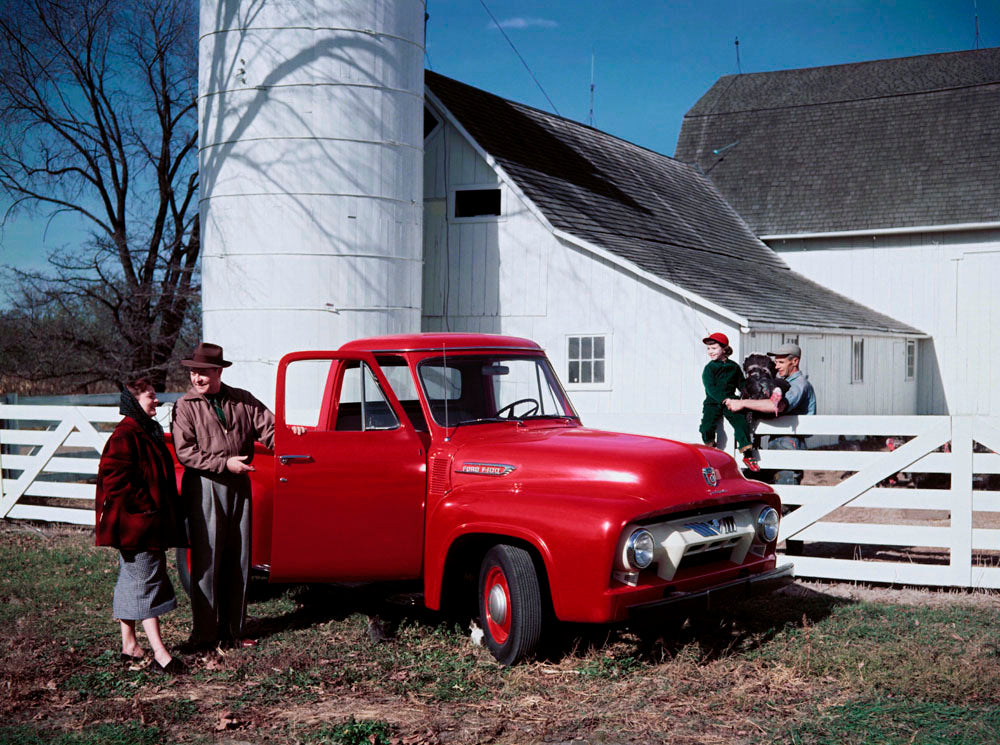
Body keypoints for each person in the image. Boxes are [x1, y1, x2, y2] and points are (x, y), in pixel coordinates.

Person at [171, 342, 275, 651]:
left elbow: (269, 428)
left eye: (202, 372)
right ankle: (205, 635)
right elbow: (185, 451)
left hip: (239, 487)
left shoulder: (241, 400)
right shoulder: (185, 406)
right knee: (207, 560)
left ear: (218, 372)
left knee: (239, 557)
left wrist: (293, 440)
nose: (197, 379)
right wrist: (222, 464)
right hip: (204, 486)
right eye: (193, 372)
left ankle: (234, 631)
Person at [96, 378, 187, 675]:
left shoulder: (144, 431)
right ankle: (160, 653)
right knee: (147, 582)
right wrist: (144, 507)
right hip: (137, 526)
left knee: (131, 580)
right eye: (151, 396)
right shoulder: (125, 435)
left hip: (143, 522)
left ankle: (129, 646)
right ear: (134, 400)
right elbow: (114, 479)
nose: (156, 401)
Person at [724, 342, 817, 484]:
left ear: (795, 361)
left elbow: (776, 406)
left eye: (781, 362)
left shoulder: (798, 384)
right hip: (778, 439)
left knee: (786, 484)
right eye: (776, 362)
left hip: (789, 441)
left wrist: (742, 403)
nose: (776, 366)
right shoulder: (782, 382)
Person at [698, 332, 759, 471]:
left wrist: (746, 393)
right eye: (708, 349)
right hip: (713, 402)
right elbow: (710, 388)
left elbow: (741, 383)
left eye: (714, 348)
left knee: (740, 422)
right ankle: (710, 449)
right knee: (706, 426)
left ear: (724, 349)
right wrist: (723, 399)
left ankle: (747, 454)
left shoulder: (734, 367)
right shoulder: (709, 368)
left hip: (731, 400)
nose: (710, 352)